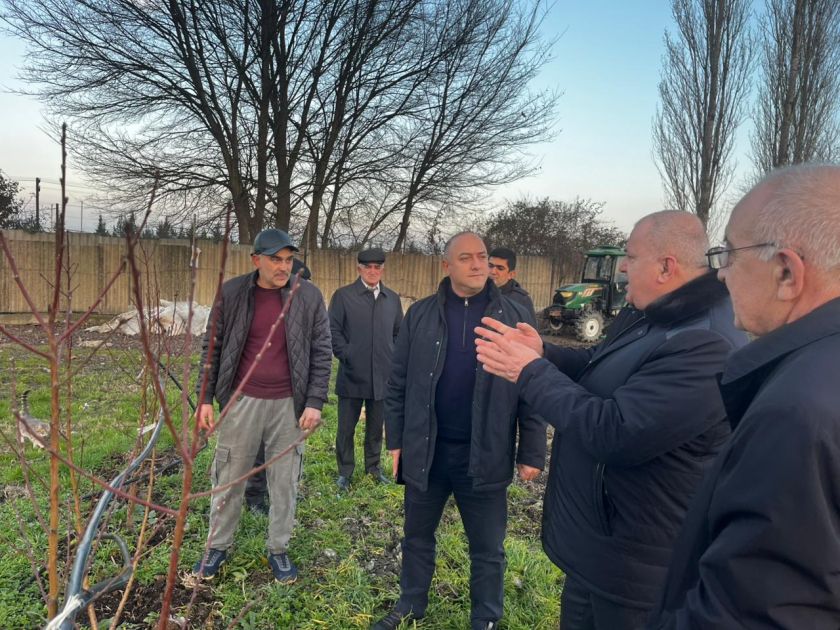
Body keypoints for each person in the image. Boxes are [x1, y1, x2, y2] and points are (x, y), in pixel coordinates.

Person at [475, 211, 748, 629]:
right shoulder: (649, 314)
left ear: (666, 267)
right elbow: (599, 365)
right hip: (601, 549)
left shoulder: (704, 342)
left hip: (637, 569)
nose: (621, 268)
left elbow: (616, 431)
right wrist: (545, 352)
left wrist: (530, 371)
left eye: (630, 257)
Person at [647, 165, 840, 629]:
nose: (721, 274)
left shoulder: (797, 413)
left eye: (730, 253)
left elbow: (749, 614)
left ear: (786, 272)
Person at [371, 232, 546, 630]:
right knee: (416, 536)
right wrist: (396, 440)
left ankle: (485, 617)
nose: (478, 264)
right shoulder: (421, 314)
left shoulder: (514, 316)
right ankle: (411, 604)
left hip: (484, 452)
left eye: (482, 256)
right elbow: (398, 383)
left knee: (487, 547)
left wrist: (532, 450)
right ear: (446, 265)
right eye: (466, 258)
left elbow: (532, 385)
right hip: (427, 450)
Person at [193, 228, 332, 583]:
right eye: (275, 260)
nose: (283, 267)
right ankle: (217, 546)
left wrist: (314, 401)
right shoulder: (232, 294)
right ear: (256, 260)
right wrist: (205, 398)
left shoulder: (308, 296)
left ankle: (279, 548)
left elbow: (321, 351)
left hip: (289, 405)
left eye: (288, 260)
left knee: (284, 481)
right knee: (229, 476)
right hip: (241, 402)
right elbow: (212, 347)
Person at [329, 247, 403, 491]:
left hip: (382, 376)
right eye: (367, 267)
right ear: (359, 268)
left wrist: (392, 357)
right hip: (352, 374)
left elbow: (399, 333)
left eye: (377, 267)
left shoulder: (392, 299)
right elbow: (333, 330)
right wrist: (347, 354)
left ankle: (373, 468)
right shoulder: (343, 296)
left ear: (383, 269)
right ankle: (345, 472)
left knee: (375, 428)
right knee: (346, 428)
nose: (372, 271)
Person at [245, 256, 313, 514]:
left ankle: (285, 492)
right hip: (266, 393)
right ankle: (254, 495)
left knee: (290, 447)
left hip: (296, 391)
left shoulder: (306, 312)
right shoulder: (266, 310)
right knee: (260, 447)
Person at [488, 246, 535, 316]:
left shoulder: (521, 300)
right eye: (490, 266)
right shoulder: (476, 293)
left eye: (500, 268)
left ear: (511, 274)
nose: (493, 272)